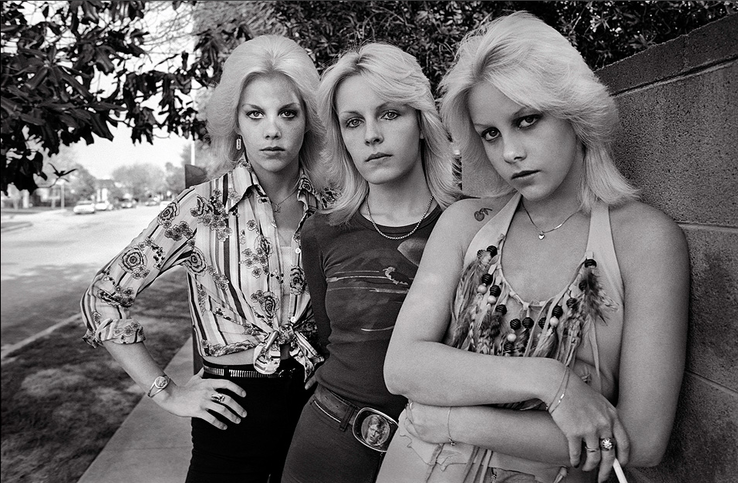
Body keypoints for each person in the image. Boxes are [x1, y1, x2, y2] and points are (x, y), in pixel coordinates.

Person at [377, 11, 689, 483]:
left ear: (574, 111)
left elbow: (641, 440)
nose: (509, 153)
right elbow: (402, 367)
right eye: (490, 133)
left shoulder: (644, 240)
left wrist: (456, 422)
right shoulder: (465, 224)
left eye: (526, 120)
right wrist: (551, 381)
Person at [80, 35, 335, 483]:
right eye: (255, 114)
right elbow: (102, 296)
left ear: (307, 122)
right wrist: (166, 391)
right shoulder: (200, 207)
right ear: (236, 123)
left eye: (287, 113)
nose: (271, 130)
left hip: (317, 412)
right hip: (231, 414)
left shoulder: (332, 207)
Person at [281, 43, 460, 483]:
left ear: (422, 122)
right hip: (330, 442)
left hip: (440, 451)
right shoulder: (321, 232)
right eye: (353, 122)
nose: (371, 136)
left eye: (390, 114)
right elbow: (329, 338)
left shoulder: (473, 224)